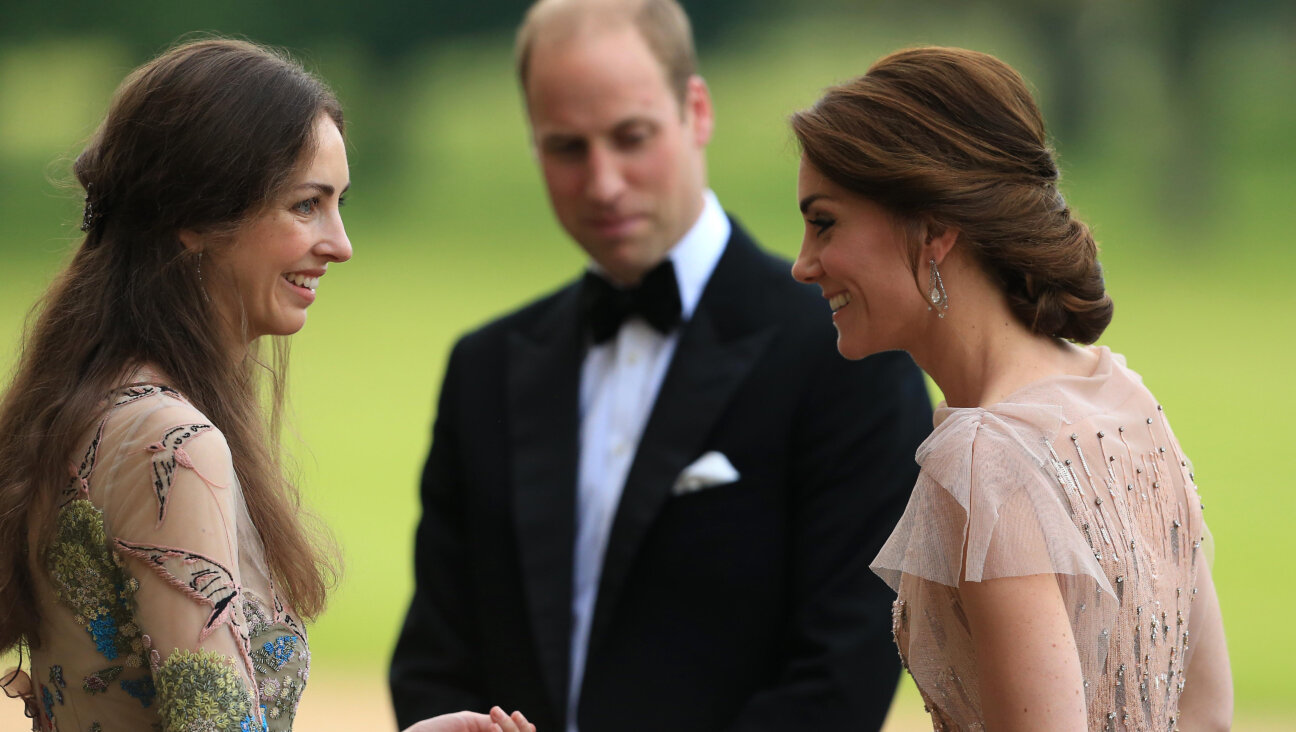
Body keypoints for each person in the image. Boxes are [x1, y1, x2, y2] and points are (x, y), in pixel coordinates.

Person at [388, 1, 932, 730]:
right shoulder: (483, 368)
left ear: (696, 110)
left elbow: (841, 675)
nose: (603, 182)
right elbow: (434, 657)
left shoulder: (846, 354)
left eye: (631, 136)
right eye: (566, 148)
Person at [0, 38, 531, 732]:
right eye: (306, 206)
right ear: (194, 220)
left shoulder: (89, 402)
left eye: (337, 203)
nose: (339, 243)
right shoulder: (171, 442)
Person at [790, 46, 1233, 730]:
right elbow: (1208, 713)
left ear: (933, 228)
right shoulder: (1123, 395)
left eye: (824, 222)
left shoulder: (984, 456)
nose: (803, 265)